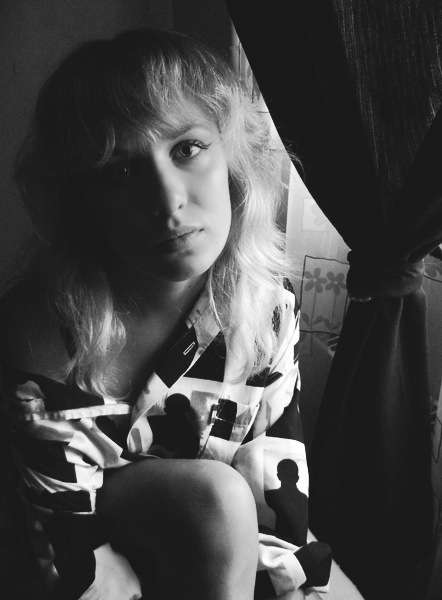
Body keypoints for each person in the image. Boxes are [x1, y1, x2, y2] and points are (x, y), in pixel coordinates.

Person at [0, 28, 331, 600]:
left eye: (187, 148)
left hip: (228, 562)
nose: (167, 199)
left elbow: (276, 496)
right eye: (120, 172)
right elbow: (66, 557)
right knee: (215, 498)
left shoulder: (267, 307)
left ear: (232, 157)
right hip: (81, 560)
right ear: (82, 201)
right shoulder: (43, 332)